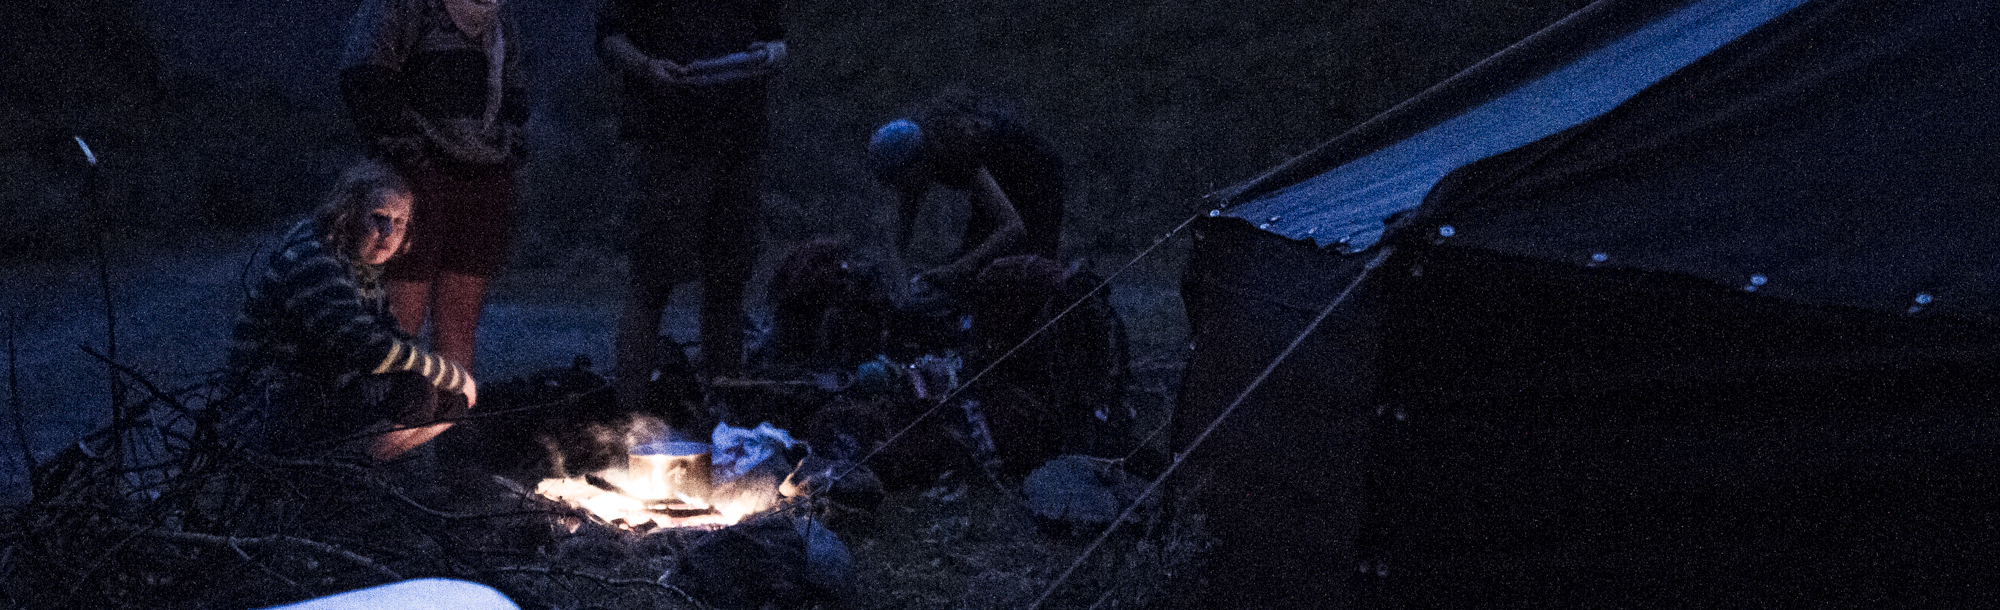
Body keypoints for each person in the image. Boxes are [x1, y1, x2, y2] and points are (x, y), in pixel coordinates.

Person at [596, 0, 786, 417]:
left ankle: (723, 420)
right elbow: (609, 38)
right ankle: (630, 425)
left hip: (740, 135)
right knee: (652, 279)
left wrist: (771, 54)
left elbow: (775, 36)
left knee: (728, 282)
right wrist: (648, 67)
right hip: (669, 137)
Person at [227, 160, 477, 461]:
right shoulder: (315, 257)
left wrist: (450, 381)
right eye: (379, 217)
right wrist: (454, 375)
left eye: (399, 222)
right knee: (416, 393)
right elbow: (369, 347)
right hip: (270, 406)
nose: (388, 232)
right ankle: (329, 476)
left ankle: (355, 474)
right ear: (348, 216)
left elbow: (394, 335)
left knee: (451, 401)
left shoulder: (361, 268)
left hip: (319, 394)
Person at [338, 0, 528, 377]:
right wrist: (409, 154)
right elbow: (363, 77)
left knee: (460, 322)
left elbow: (516, 90)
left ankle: (449, 421)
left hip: (483, 175)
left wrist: (510, 150)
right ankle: (386, 424)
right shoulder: (402, 8)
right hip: (417, 178)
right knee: (399, 318)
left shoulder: (495, 15)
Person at [867, 92, 1067, 296]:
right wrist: (892, 276)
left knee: (1032, 263)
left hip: (1036, 174)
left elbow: (1013, 228)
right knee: (974, 255)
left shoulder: (953, 152)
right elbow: (903, 226)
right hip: (1001, 177)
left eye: (901, 181)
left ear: (915, 163)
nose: (901, 190)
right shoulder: (916, 158)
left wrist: (956, 270)